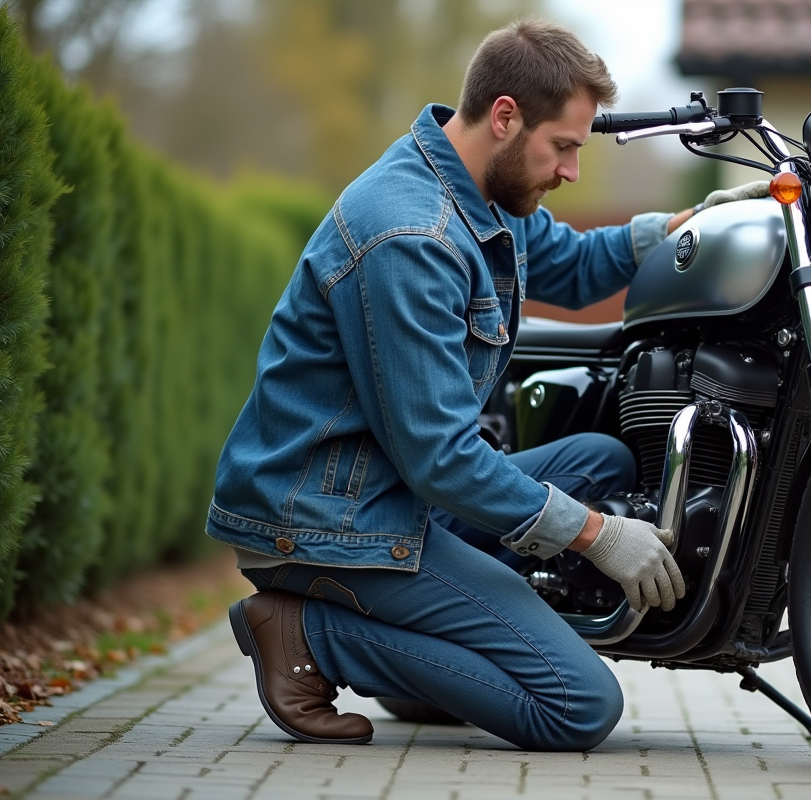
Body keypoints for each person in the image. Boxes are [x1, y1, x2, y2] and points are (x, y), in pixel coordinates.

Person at [207, 16, 762, 752]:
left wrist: (680, 228)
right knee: (578, 705)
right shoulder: (412, 236)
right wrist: (597, 534)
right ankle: (308, 631)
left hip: (388, 496)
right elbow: (440, 458)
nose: (569, 170)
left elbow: (570, 264)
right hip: (328, 522)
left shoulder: (478, 191)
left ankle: (429, 646)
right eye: (562, 146)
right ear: (505, 116)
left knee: (600, 461)